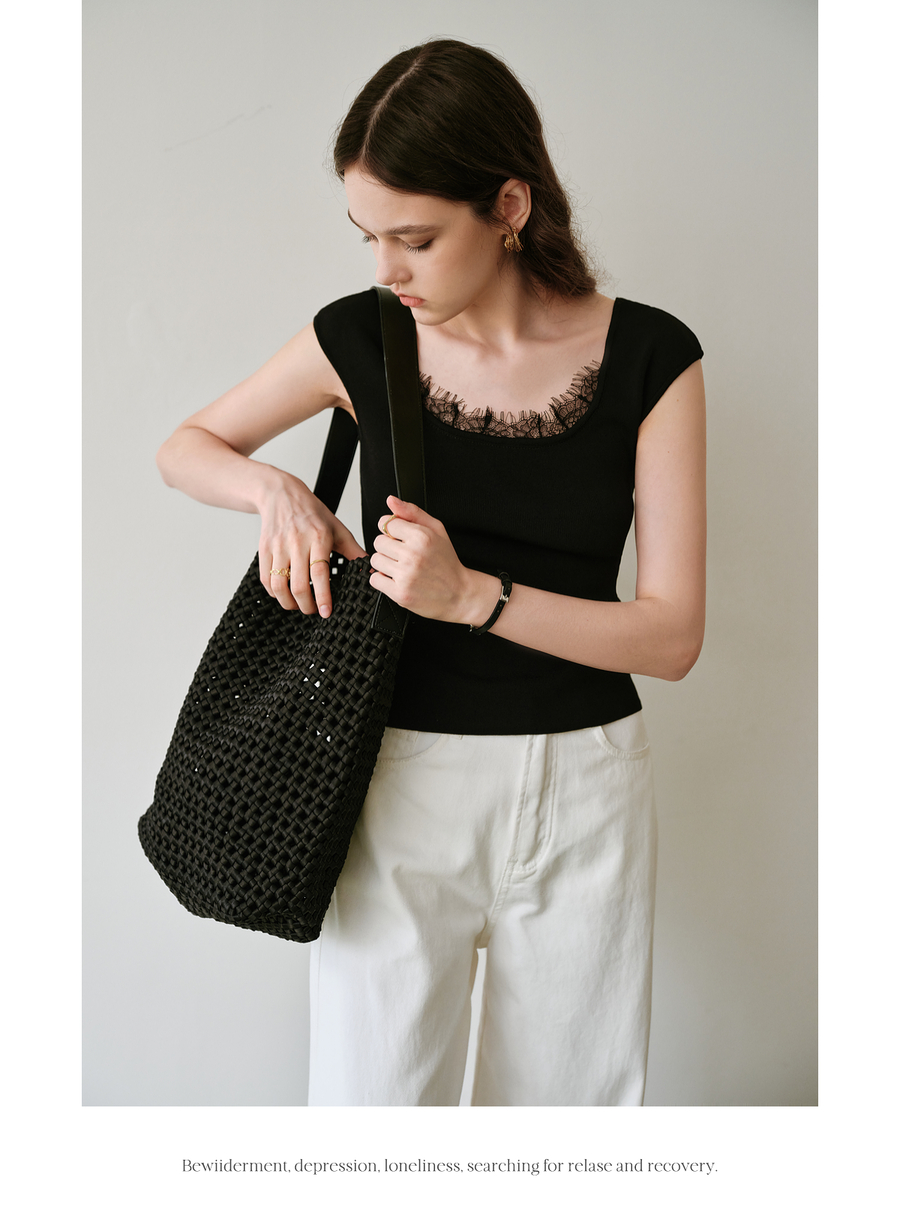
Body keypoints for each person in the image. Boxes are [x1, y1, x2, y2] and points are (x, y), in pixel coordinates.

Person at [155, 39, 706, 1107]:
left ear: (509, 206)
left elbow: (673, 634)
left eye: (414, 238)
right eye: (367, 236)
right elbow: (186, 446)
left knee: (570, 1126)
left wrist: (475, 599)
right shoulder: (361, 339)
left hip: (589, 779)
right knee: (373, 1117)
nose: (386, 271)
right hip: (395, 774)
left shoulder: (652, 356)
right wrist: (276, 492)